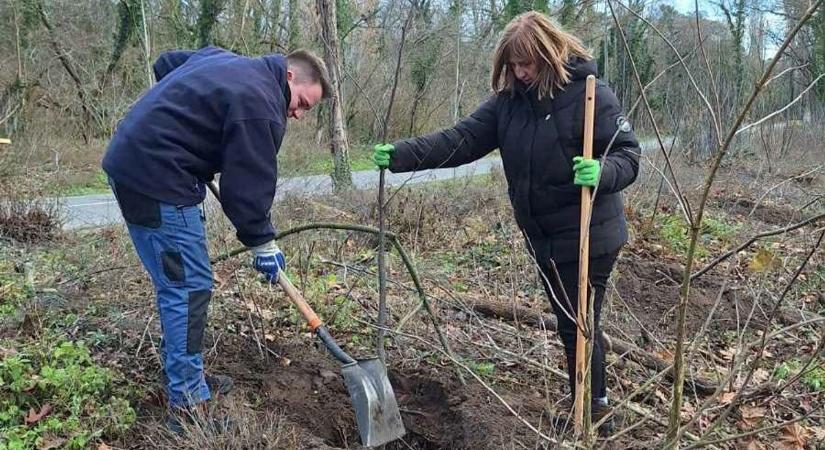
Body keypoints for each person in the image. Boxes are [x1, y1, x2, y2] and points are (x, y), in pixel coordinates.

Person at [372, 11, 639, 434]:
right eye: (513, 64)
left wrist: (600, 172)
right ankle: (593, 402)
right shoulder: (508, 105)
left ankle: (593, 411)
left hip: (591, 232)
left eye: (527, 63)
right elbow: (459, 140)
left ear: (548, 55)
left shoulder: (591, 95)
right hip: (544, 236)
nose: (521, 72)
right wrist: (403, 155)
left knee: (577, 323)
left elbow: (628, 156)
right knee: (577, 322)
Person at [102, 46, 331, 432]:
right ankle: (187, 404)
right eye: (302, 103)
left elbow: (166, 64)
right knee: (188, 288)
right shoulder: (260, 103)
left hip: (133, 163)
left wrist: (189, 123)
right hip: (158, 179)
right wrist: (263, 243)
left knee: (182, 286)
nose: (298, 114)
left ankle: (182, 377)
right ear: (290, 77)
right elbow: (247, 187)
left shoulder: (226, 61)